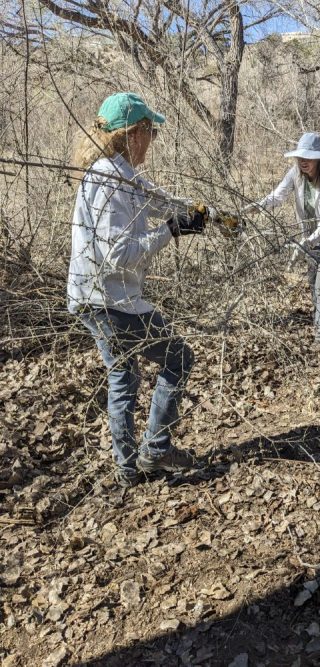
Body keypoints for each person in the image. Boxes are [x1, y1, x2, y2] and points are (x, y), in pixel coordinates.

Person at [68, 92, 206, 487]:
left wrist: (199, 213)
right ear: (134, 134)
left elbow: (158, 200)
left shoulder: (121, 173)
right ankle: (155, 451)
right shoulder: (108, 182)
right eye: (151, 133)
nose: (153, 141)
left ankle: (129, 469)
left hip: (95, 297)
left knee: (123, 377)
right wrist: (171, 230)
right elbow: (119, 255)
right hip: (109, 299)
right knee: (178, 357)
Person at [245, 132, 320, 351]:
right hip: (309, 236)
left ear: (319, 159)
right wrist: (259, 206)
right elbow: (278, 195)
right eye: (301, 157)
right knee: (313, 280)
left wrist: (307, 242)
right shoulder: (295, 174)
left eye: (308, 157)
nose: (303, 161)